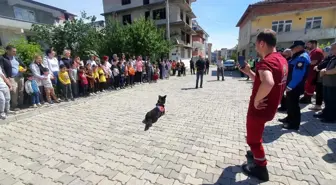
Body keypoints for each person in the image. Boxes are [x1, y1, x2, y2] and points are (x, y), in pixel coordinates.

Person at [239, 29, 288, 181]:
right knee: (257, 135)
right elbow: (263, 81)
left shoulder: (266, 62)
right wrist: (249, 73)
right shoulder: (281, 59)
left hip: (259, 109)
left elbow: (268, 83)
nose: (255, 48)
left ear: (262, 43)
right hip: (270, 108)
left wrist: (256, 100)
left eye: (256, 45)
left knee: (253, 140)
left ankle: (261, 168)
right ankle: (255, 155)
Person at [278, 40, 311, 130]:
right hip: (291, 85)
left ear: (299, 47)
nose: (293, 50)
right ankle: (289, 118)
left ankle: (294, 124)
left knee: (294, 105)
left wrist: (290, 86)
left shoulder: (302, 57)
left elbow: (298, 74)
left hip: (295, 86)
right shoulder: (296, 56)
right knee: (289, 103)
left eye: (294, 48)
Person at [0, 45, 26, 111]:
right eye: (13, 51)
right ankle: (14, 106)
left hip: (20, 77)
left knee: (21, 91)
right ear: (7, 51)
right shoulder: (2, 58)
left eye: (15, 51)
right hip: (11, 77)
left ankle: (21, 104)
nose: (15, 53)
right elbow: (2, 68)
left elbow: (23, 65)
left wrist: (24, 69)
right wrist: (6, 77)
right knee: (14, 92)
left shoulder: (16, 57)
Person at [315, 43, 336, 123]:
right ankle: (325, 113)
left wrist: (325, 72)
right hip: (327, 83)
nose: (331, 50)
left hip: (333, 84)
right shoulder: (333, 58)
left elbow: (334, 70)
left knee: (332, 102)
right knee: (327, 100)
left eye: (333, 48)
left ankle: (331, 118)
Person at [300, 40, 324, 104]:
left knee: (310, 85)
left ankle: (308, 98)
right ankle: (306, 97)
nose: (307, 46)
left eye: (309, 44)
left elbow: (314, 62)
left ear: (314, 44)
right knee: (307, 84)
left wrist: (303, 63)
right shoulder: (312, 51)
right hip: (310, 71)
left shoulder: (317, 51)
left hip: (313, 72)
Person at [312, 46, 332, 111]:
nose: (323, 53)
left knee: (322, 93)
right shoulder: (325, 58)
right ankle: (318, 106)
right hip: (320, 78)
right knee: (319, 92)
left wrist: (318, 67)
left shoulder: (330, 59)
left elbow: (321, 66)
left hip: (324, 79)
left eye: (324, 51)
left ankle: (320, 107)